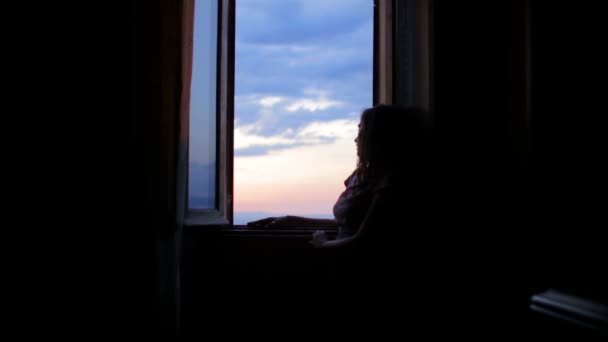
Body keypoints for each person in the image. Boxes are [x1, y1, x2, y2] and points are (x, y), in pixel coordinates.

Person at [247, 104, 433, 249]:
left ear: (378, 139)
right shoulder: (362, 177)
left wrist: (322, 244)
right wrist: (291, 220)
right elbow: (346, 224)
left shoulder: (390, 184)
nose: (355, 139)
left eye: (361, 132)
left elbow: (361, 241)